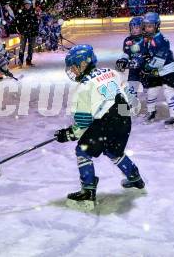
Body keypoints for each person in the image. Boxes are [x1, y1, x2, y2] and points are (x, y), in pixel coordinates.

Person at [54, 44, 145, 210]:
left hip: (106, 122)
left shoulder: (83, 88)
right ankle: (135, 177)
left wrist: (67, 134)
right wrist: (121, 116)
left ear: (82, 64)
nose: (72, 71)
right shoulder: (111, 72)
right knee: (114, 150)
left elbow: (82, 124)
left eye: (73, 67)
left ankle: (88, 191)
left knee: (82, 151)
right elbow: (128, 96)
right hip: (124, 118)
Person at [141, 12, 174, 127]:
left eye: (150, 26)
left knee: (168, 91)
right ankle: (151, 111)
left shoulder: (161, 40)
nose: (147, 28)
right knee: (151, 91)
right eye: (146, 26)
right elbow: (147, 52)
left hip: (167, 69)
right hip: (157, 70)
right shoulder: (148, 38)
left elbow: (159, 59)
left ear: (157, 26)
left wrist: (147, 67)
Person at [115, 16, 147, 112]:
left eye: (136, 28)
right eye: (132, 28)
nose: (134, 30)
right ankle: (131, 106)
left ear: (142, 28)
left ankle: (151, 108)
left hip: (146, 70)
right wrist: (123, 60)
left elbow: (147, 54)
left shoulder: (146, 39)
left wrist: (140, 61)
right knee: (132, 87)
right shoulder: (128, 40)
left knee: (149, 90)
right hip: (134, 69)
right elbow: (126, 53)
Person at [15, 0, 39, 67]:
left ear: (30, 4)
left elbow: (36, 22)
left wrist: (35, 31)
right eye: (26, 4)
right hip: (23, 33)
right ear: (24, 5)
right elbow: (17, 23)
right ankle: (20, 61)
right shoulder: (21, 12)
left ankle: (29, 60)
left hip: (32, 33)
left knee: (31, 48)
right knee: (22, 47)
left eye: (28, 4)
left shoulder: (33, 12)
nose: (27, 5)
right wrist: (19, 32)